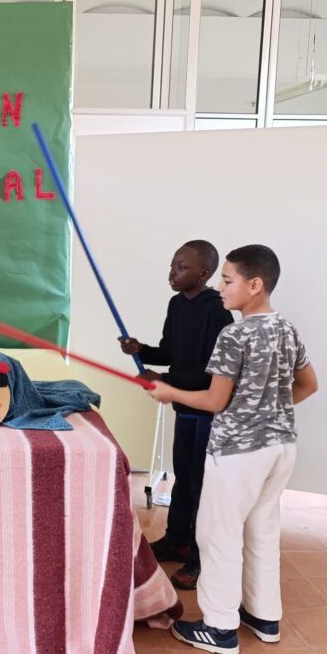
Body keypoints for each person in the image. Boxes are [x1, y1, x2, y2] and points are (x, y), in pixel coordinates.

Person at [149, 244, 318, 654]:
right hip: (280, 448)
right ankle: (264, 616)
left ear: (254, 285)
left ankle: (220, 627)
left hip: (239, 454)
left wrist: (169, 391)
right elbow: (309, 385)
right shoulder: (287, 329)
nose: (220, 288)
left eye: (227, 280)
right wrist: (268, 413)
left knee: (218, 534)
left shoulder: (234, 334)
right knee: (262, 529)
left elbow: (214, 401)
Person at [120, 240, 233, 589]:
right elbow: (171, 352)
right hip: (185, 410)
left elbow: (214, 373)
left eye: (182, 267)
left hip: (208, 413)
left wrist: (165, 380)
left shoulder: (218, 311)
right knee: (183, 478)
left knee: (201, 487)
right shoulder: (176, 304)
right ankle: (177, 540)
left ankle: (200, 558)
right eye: (172, 265)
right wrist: (142, 350)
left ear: (204, 273)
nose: (173, 272)